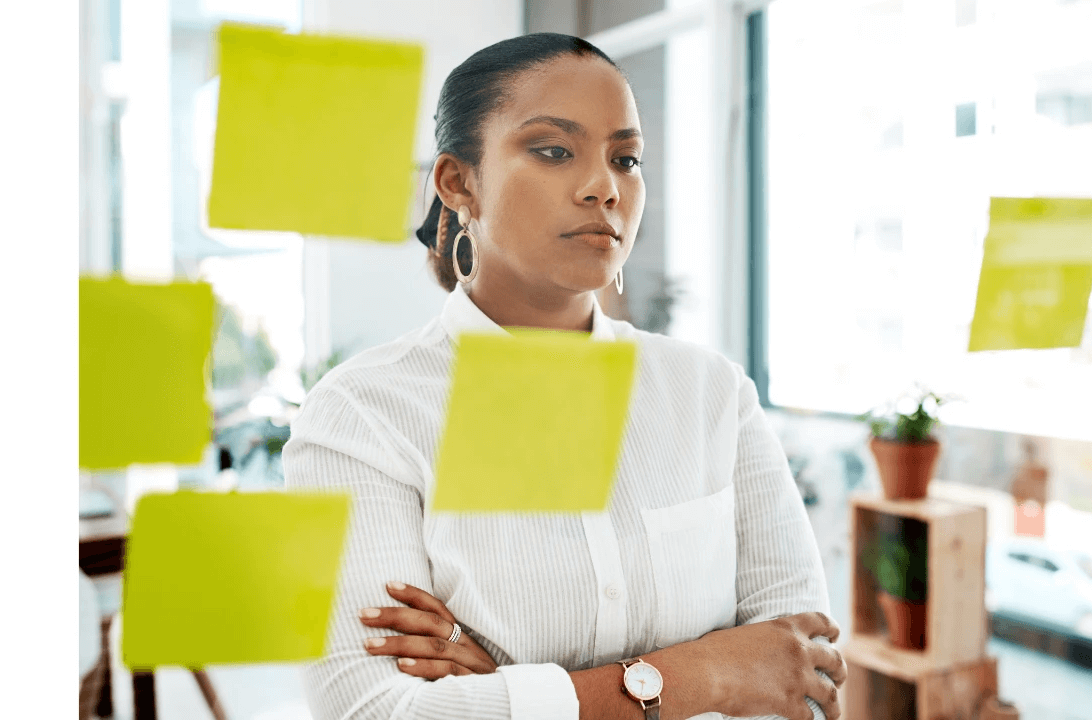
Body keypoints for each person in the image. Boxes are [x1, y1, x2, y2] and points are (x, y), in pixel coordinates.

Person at [283, 32, 846, 720]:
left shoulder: (711, 395)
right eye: (553, 150)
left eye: (626, 158)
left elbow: (805, 682)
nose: (603, 187)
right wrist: (705, 673)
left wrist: (509, 685)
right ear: (459, 182)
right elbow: (369, 712)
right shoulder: (364, 416)